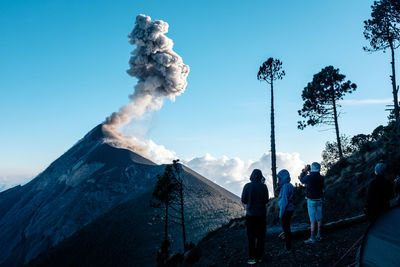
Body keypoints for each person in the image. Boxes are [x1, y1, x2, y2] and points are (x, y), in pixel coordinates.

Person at [241, 169, 269, 264]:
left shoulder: (247, 186)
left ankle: (252, 258)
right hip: (261, 214)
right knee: (261, 236)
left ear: (252, 176)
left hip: (251, 215)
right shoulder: (264, 186)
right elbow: (266, 200)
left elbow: (244, 200)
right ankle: (259, 257)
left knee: (251, 237)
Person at [300, 162, 324, 244]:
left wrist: (304, 171)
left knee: (313, 220)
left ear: (312, 168)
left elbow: (301, 180)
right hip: (319, 199)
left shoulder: (309, 177)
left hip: (311, 200)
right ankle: (319, 235)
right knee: (319, 218)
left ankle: (312, 238)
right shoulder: (321, 178)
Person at [277, 169, 295, 253]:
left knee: (286, 229)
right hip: (290, 209)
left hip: (286, 210)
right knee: (287, 228)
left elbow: (284, 201)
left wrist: (281, 214)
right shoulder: (290, 185)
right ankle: (289, 246)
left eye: (279, 178)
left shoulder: (285, 187)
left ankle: (288, 248)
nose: (278, 179)